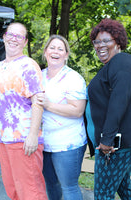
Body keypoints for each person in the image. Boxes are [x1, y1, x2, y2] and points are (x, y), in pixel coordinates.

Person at [85, 18, 131, 199]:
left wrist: (107, 141)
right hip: (121, 145)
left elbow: (119, 102)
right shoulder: (114, 66)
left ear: (118, 41)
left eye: (106, 40)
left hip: (115, 148)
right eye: (96, 41)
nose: (100, 45)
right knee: (124, 188)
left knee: (103, 195)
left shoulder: (122, 62)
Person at [0, 22, 47, 200]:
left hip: (23, 140)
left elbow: (38, 102)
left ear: (25, 42)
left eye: (19, 36)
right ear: (4, 37)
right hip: (3, 139)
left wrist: (33, 135)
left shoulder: (28, 66)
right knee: (13, 190)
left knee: (31, 192)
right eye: (11, 34)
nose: (14, 39)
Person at [36, 35, 87, 200]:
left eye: (60, 49)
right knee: (51, 184)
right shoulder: (38, 76)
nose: (55, 51)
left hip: (68, 143)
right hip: (44, 143)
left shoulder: (74, 78)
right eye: (52, 47)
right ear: (45, 52)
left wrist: (48, 104)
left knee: (69, 187)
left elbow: (78, 110)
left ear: (66, 55)